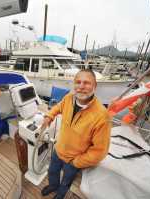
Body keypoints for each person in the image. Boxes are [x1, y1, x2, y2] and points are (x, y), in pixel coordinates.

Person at [40, 69, 111, 199]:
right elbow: (58, 107)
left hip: (73, 160)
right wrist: (49, 116)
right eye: (78, 82)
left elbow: (100, 151)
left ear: (95, 86)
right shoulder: (68, 98)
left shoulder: (102, 116)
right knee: (52, 171)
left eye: (86, 83)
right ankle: (53, 185)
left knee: (66, 181)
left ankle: (60, 195)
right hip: (58, 149)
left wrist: (77, 162)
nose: (81, 86)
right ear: (74, 84)